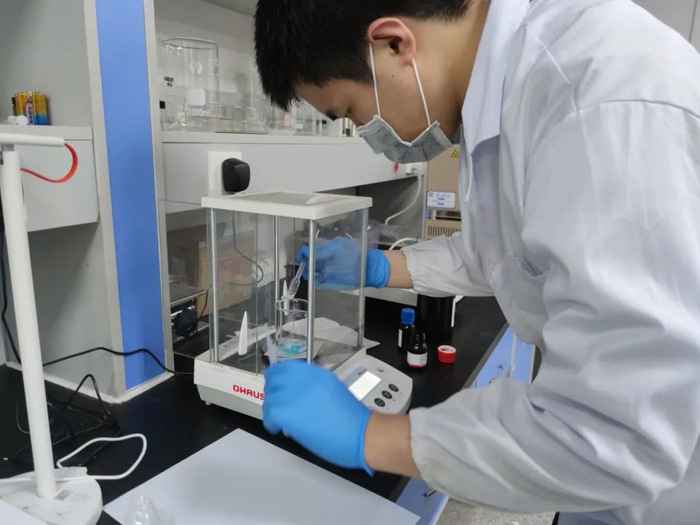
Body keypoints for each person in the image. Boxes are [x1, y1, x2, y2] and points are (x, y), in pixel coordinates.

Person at [255, 1, 700, 523]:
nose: (369, 135)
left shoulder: (593, 97)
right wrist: (378, 268)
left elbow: (614, 432)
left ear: (394, 44)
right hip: (609, 486)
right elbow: (500, 252)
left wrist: (370, 435)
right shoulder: (505, 91)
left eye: (351, 112)